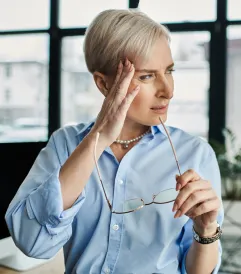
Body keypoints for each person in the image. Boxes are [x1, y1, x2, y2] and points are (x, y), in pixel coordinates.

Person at [5, 8, 224, 274]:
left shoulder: (195, 153)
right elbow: (32, 244)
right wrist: (99, 138)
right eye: (147, 76)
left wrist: (206, 229)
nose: (168, 90)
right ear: (103, 83)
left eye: (169, 70)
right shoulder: (65, 145)